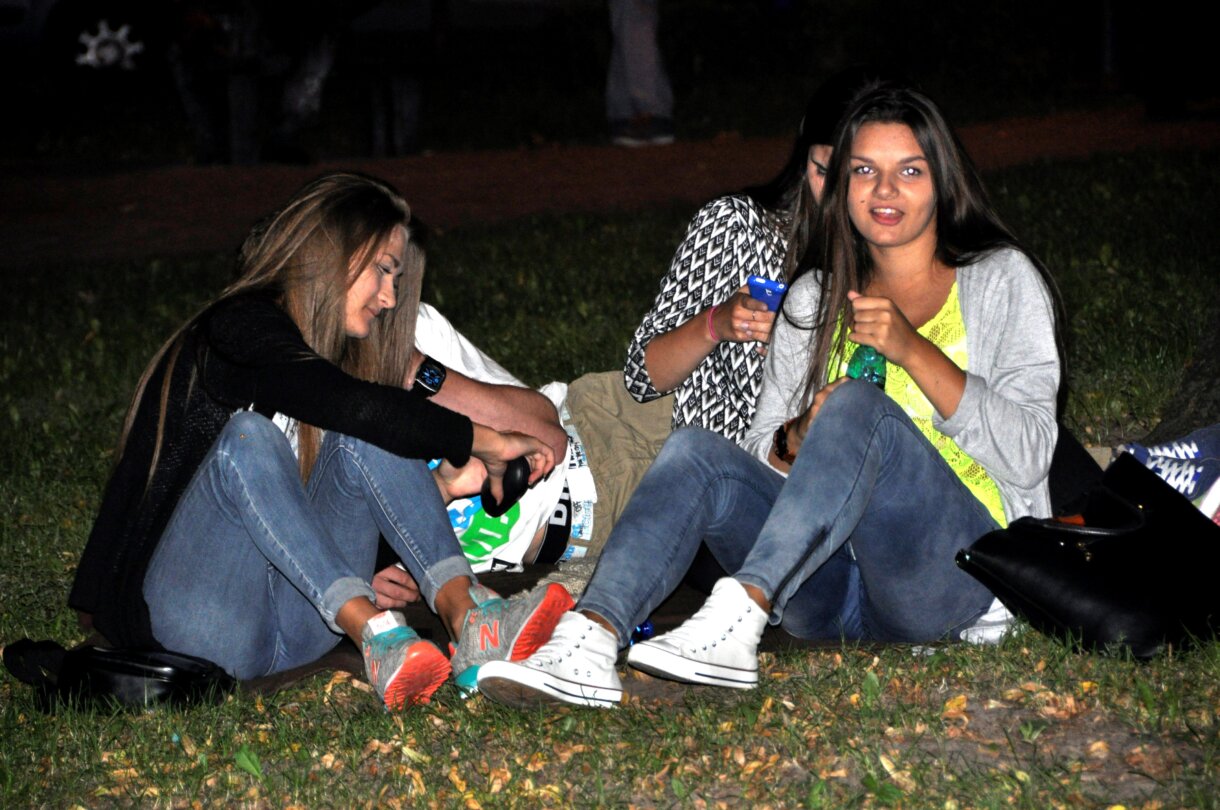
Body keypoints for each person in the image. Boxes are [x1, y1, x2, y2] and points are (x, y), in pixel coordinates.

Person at [477, 83, 1061, 708]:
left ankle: (740, 613)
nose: (884, 190)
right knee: (696, 450)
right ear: (839, 185)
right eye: (864, 170)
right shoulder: (812, 299)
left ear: (943, 181)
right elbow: (761, 450)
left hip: (951, 581)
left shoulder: (1000, 279)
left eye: (910, 171)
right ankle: (590, 639)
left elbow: (1032, 453)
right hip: (829, 597)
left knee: (860, 407)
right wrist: (796, 438)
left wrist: (914, 351)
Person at [68, 172, 574, 711]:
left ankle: (469, 618)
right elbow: (348, 408)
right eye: (383, 270)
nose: (389, 298)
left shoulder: (326, 364)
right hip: (199, 626)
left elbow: (294, 529)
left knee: (364, 432)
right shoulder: (237, 328)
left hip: (300, 628)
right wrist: (484, 441)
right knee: (251, 438)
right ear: (330, 252)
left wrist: (439, 487)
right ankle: (375, 633)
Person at [624, 68, 874, 446]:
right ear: (804, 152)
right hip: (721, 456)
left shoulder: (896, 248)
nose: (837, 196)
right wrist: (716, 323)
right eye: (823, 171)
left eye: (857, 174)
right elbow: (641, 379)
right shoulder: (738, 226)